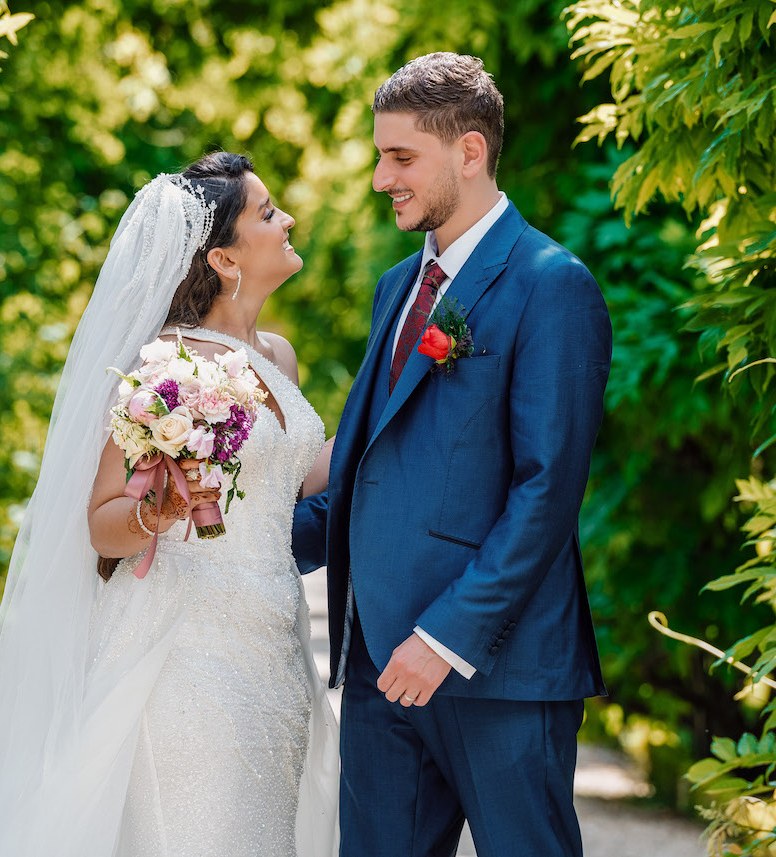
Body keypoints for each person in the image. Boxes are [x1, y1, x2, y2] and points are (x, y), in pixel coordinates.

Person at [0, 153, 338, 857]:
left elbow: (298, 475)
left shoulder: (280, 357)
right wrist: (160, 510)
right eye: (267, 213)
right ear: (224, 259)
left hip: (273, 643)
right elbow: (102, 523)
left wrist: (406, 379)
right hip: (184, 650)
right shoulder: (163, 367)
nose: (287, 218)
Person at [293, 53, 612, 856]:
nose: (378, 178)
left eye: (400, 157)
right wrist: (233, 533)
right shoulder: (397, 287)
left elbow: (547, 491)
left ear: (469, 152)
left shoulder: (551, 284)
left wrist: (445, 639)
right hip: (378, 670)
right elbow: (370, 468)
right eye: (379, 155)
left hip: (499, 670)